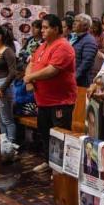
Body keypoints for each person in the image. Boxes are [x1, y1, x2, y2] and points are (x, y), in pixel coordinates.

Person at [24, 14, 77, 174]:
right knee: (45, 134)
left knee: (60, 136)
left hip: (60, 101)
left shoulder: (63, 46)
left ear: (56, 29)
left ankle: (61, 169)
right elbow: (32, 63)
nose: (42, 30)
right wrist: (28, 79)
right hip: (43, 101)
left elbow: (52, 70)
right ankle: (48, 162)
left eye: (46, 27)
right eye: (42, 27)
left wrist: (31, 77)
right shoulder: (43, 45)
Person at [69, 14, 98, 88]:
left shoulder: (89, 41)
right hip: (71, 78)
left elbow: (86, 63)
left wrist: (73, 77)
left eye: (77, 21)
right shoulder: (73, 38)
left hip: (82, 82)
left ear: (85, 25)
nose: (74, 23)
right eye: (74, 21)